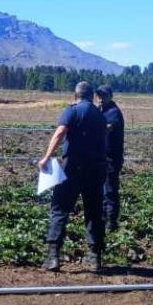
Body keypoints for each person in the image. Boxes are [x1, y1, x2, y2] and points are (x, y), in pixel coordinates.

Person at [37, 81, 108, 272]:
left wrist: (47, 157)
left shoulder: (72, 110)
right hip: (96, 169)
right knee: (93, 211)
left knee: (59, 208)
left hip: (73, 168)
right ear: (92, 96)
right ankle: (95, 258)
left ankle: (53, 257)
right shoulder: (99, 116)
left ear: (75, 95)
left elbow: (60, 132)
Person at [95, 85, 125, 232]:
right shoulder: (101, 110)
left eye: (103, 95)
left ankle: (111, 222)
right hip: (102, 157)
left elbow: (107, 128)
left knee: (110, 190)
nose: (100, 98)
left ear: (111, 96)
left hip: (111, 158)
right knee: (102, 188)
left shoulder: (113, 111)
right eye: (99, 95)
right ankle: (103, 218)